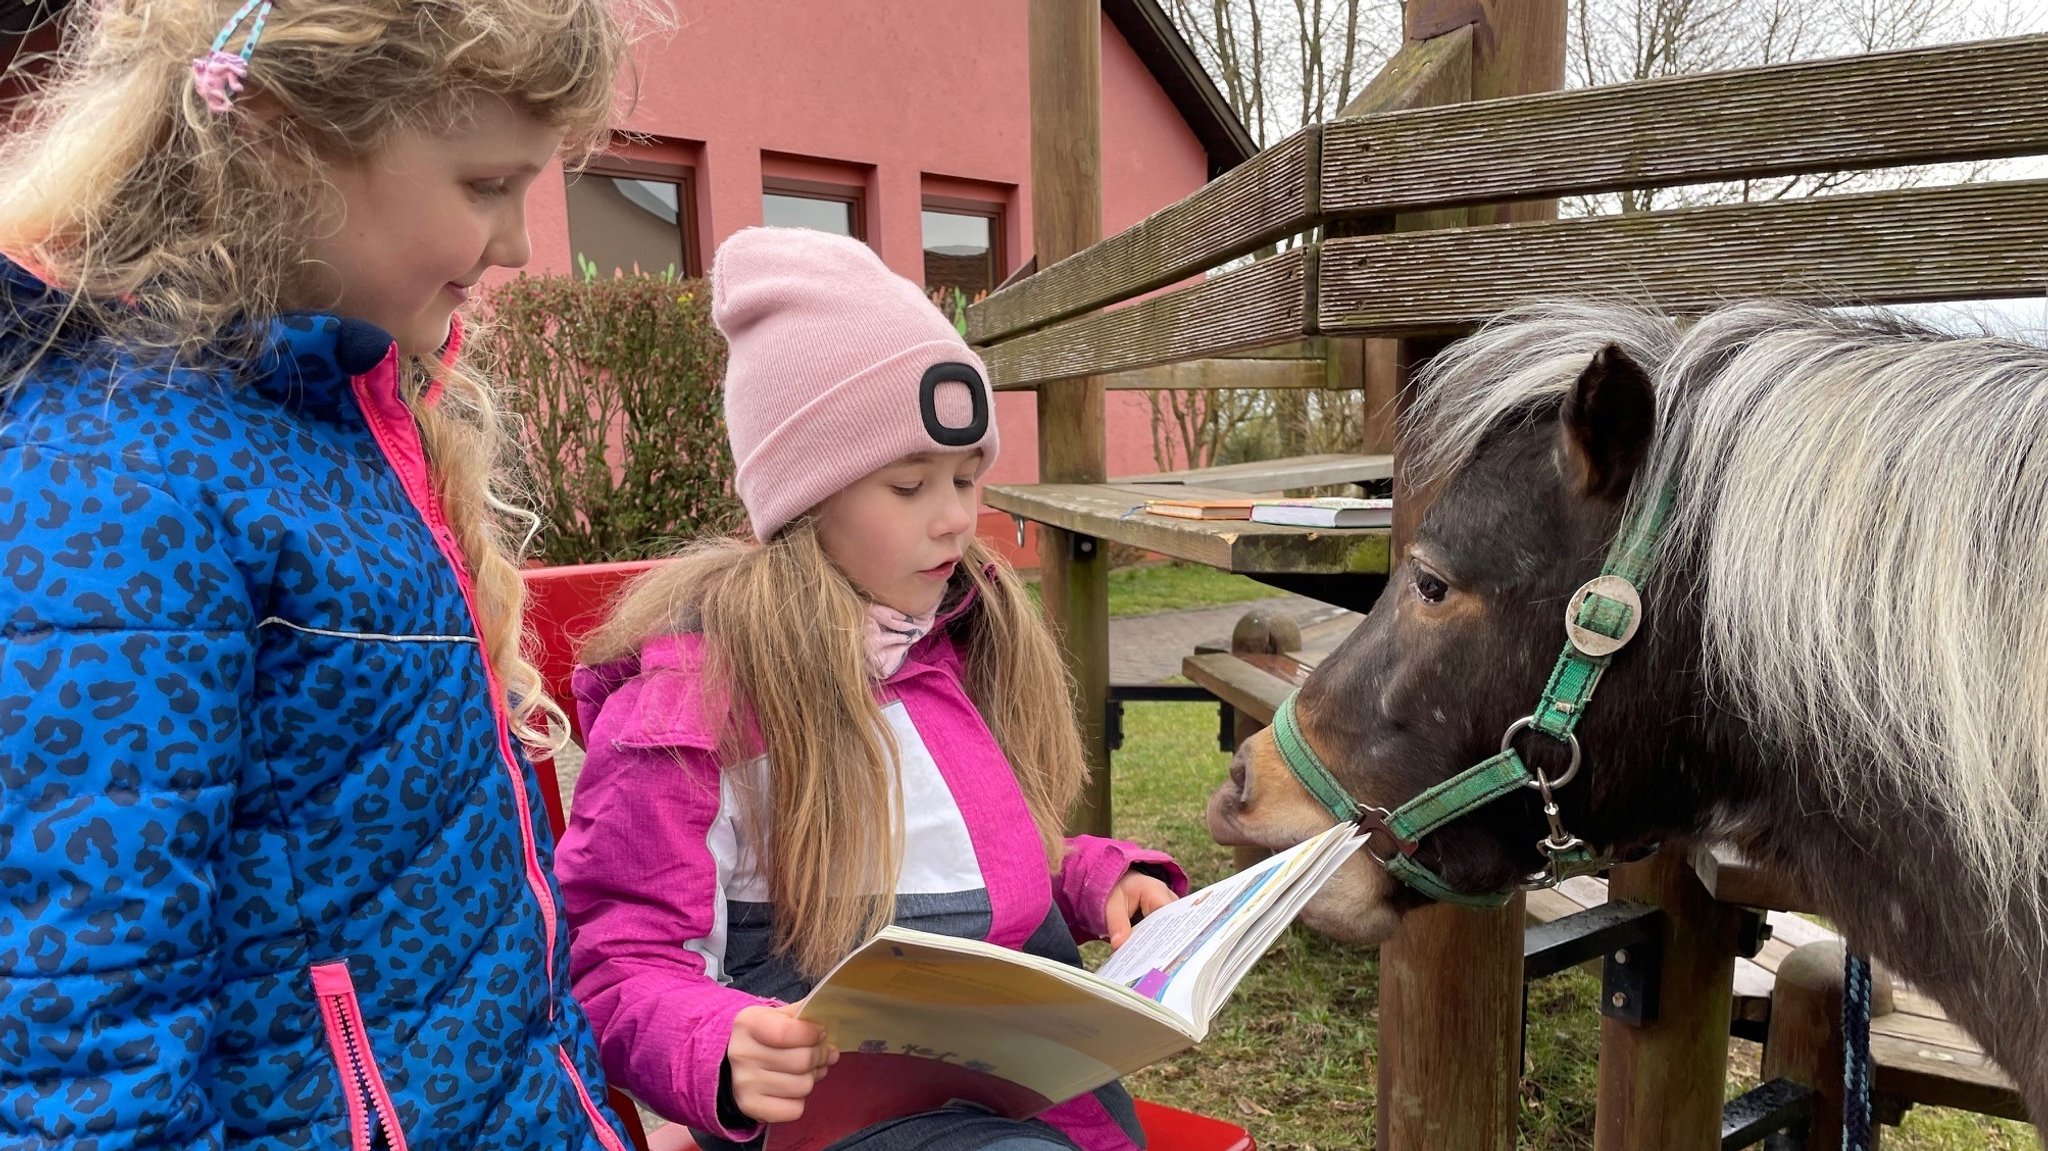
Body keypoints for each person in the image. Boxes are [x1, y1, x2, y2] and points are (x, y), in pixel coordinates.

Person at [0, 2, 651, 1148]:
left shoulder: (330, 421)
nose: (519, 246)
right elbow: (85, 1042)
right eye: (487, 183)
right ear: (286, 140)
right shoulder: (117, 482)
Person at [556, 227, 1186, 1151]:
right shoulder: (696, 704)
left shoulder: (940, 653)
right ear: (805, 499)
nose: (957, 516)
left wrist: (1097, 877)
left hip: (1021, 1111)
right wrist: (715, 1043)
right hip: (838, 1127)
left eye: (970, 478)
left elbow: (967, 854)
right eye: (909, 483)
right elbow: (618, 957)